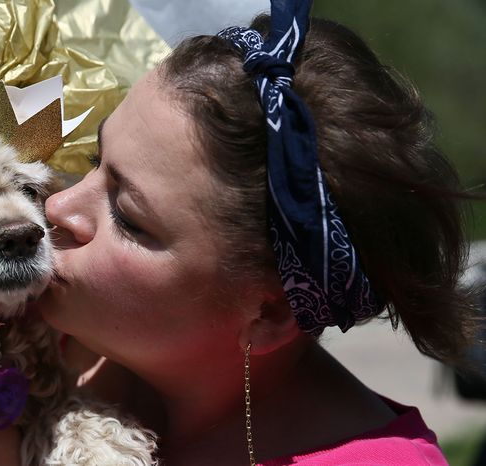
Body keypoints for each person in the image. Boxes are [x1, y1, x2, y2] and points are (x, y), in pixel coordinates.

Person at [27, 1, 480, 465]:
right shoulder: (16, 336)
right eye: (94, 161)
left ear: (268, 313)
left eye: (127, 217)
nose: (58, 207)